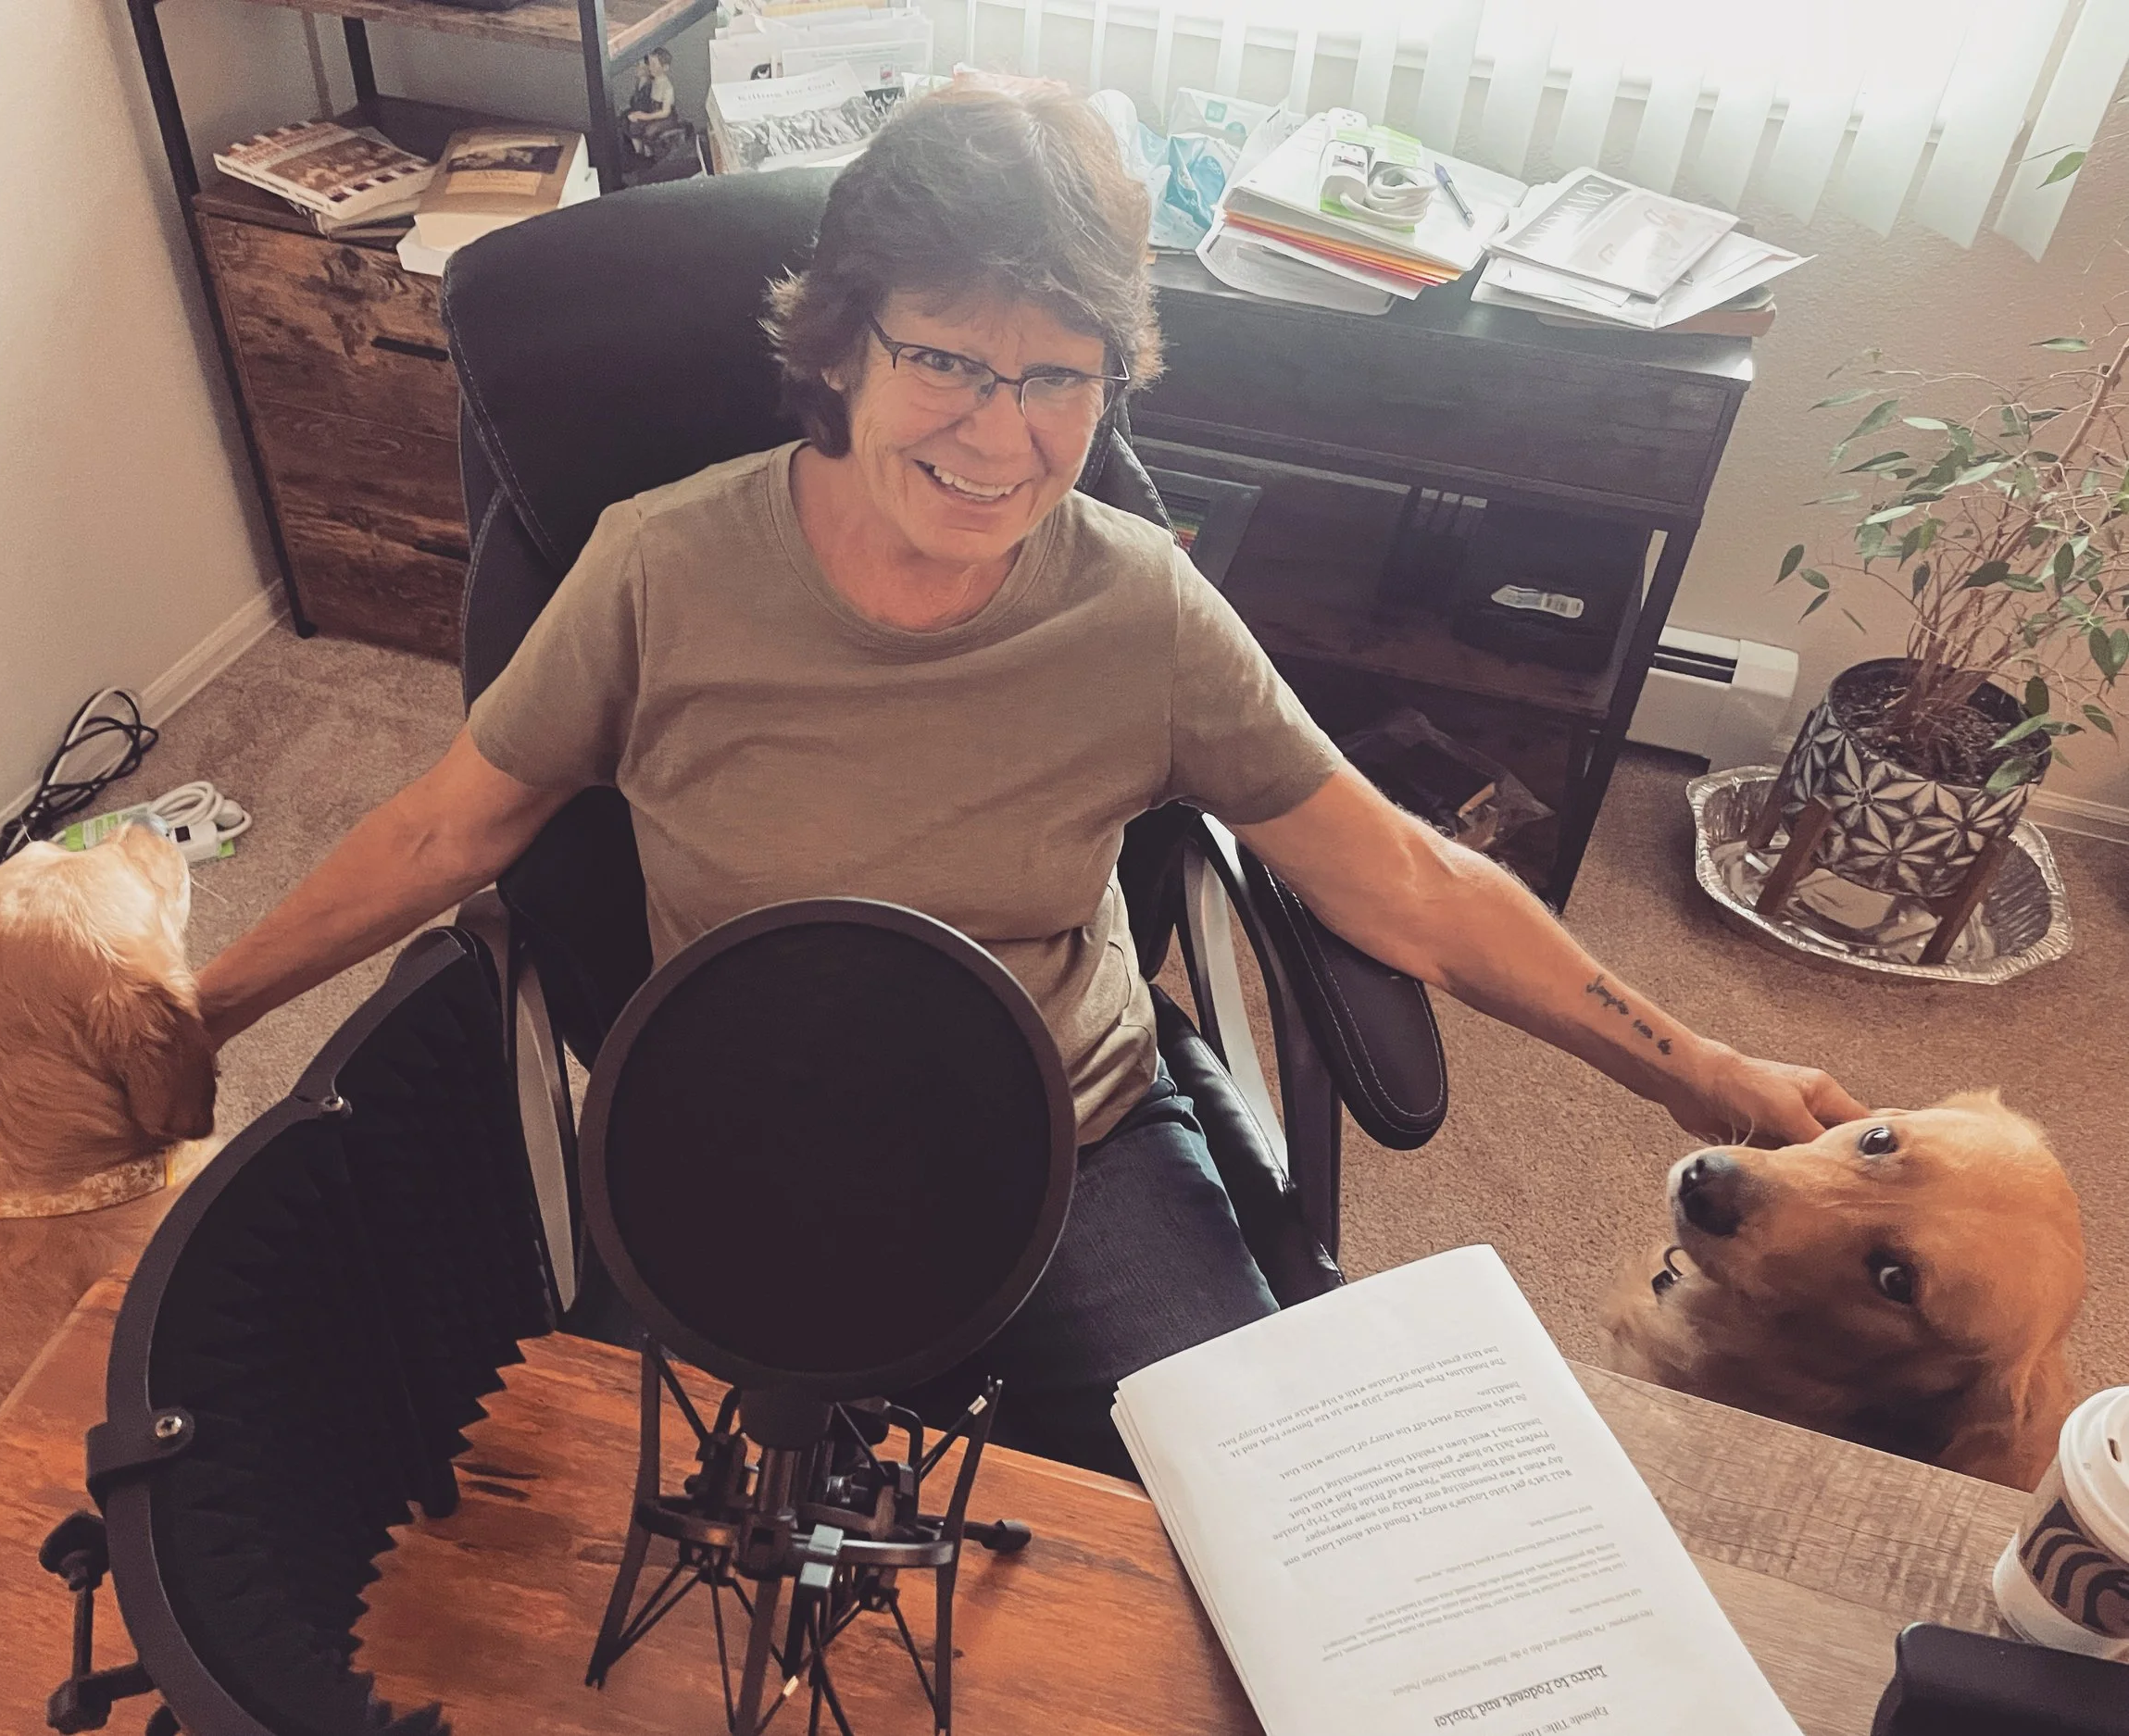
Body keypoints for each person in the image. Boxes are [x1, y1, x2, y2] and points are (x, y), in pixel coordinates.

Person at [195, 81, 1866, 1477]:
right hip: (736, 1131)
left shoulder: (1139, 608)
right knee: (635, 1564)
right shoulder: (663, 570)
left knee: (1254, 1525)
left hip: (1065, 1136)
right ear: (841, 348)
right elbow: (451, 819)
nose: (1002, 440)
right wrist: (201, 1009)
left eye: (1060, 378)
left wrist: (1695, 1066)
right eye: (947, 363)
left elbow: (1408, 882)